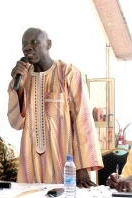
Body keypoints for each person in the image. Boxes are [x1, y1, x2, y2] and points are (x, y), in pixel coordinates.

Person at [7, 27, 103, 187]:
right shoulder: (22, 78)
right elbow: (16, 123)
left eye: (34, 42)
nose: (27, 47)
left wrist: (82, 166)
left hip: (64, 162)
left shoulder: (67, 73)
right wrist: (19, 87)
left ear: (48, 44)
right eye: (24, 44)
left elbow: (83, 119)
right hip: (30, 161)